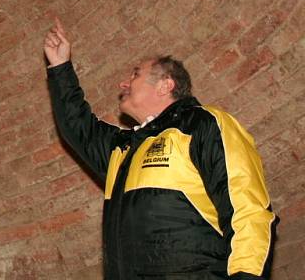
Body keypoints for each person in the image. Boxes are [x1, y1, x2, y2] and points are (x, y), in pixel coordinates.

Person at [43, 19, 276, 279]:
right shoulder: (123, 150)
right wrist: (61, 67)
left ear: (166, 85)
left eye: (135, 74)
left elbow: (248, 211)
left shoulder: (203, 124)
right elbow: (79, 127)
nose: (123, 83)